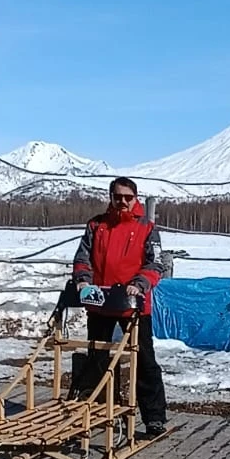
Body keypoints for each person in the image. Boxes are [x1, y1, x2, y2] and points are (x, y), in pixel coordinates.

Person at [72, 177, 167, 436]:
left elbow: (155, 263)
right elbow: (83, 258)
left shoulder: (147, 227)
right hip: (100, 302)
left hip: (133, 305)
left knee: (144, 361)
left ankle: (154, 417)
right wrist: (82, 280)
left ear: (135, 198)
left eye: (128, 197)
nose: (122, 201)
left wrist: (140, 283)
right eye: (118, 197)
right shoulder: (96, 225)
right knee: (97, 359)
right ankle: (100, 410)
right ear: (111, 197)